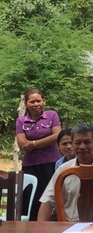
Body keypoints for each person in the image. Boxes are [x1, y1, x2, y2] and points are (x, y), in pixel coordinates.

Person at [37, 124, 93, 222]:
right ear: (73, 144)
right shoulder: (63, 170)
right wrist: (41, 230)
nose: (82, 147)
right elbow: (47, 202)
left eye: (87, 142)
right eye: (77, 143)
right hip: (68, 226)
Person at [15, 88, 62, 221]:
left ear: (44, 101)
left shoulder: (52, 115)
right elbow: (22, 144)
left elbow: (57, 136)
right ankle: (30, 229)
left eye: (38, 101)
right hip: (31, 165)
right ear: (26, 103)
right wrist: (43, 142)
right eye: (32, 101)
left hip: (51, 163)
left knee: (51, 197)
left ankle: (53, 226)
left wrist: (34, 144)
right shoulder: (21, 121)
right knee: (31, 198)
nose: (36, 104)